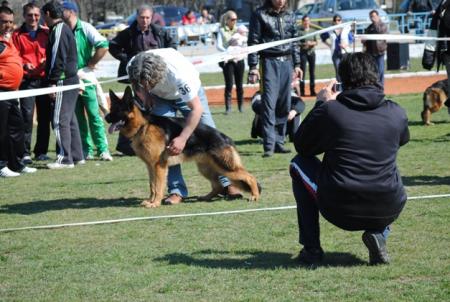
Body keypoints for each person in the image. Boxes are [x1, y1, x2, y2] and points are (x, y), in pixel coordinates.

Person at [290, 52, 409, 265]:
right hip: (388, 206)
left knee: (298, 163)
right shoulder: (396, 112)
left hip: (339, 208)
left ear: (342, 80)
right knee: (387, 165)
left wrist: (321, 105)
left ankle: (311, 249)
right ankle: (380, 233)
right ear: (375, 76)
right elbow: (402, 140)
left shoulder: (332, 111)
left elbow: (303, 146)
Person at [127, 49, 243, 205]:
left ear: (158, 75)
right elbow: (136, 84)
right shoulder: (134, 65)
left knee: (210, 136)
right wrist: (146, 94)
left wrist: (182, 138)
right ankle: (176, 191)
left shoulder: (179, 75)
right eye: (143, 84)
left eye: (149, 84)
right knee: (164, 147)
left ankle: (228, 183)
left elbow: (196, 109)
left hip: (190, 96)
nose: (146, 86)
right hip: (160, 99)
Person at [109, 4, 176, 156]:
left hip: (158, 79)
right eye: (141, 17)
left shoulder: (159, 32)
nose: (144, 20)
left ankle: (156, 140)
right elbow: (113, 46)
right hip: (138, 80)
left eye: (147, 17)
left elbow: (173, 45)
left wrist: (166, 58)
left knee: (157, 109)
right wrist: (128, 60)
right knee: (134, 109)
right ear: (136, 17)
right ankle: (125, 146)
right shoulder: (128, 33)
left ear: (151, 18)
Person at [247, 0, 303, 158]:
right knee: (269, 104)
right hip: (268, 62)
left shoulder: (290, 15)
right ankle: (269, 145)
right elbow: (253, 41)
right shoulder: (260, 15)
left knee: (283, 104)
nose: (281, 1)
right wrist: (253, 66)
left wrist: (297, 64)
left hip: (287, 62)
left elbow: (295, 41)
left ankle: (279, 142)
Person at [62, 1, 112, 161]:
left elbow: (103, 45)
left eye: (62, 10)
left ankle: (103, 149)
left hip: (85, 76)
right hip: (69, 79)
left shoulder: (85, 27)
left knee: (93, 114)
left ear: (70, 12)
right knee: (77, 117)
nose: (59, 12)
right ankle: (86, 149)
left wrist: (91, 63)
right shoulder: (61, 28)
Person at [42, 0, 83, 169]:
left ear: (48, 14)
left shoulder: (59, 30)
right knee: (70, 119)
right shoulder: (64, 29)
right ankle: (76, 155)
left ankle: (65, 159)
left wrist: (53, 82)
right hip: (70, 80)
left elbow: (58, 58)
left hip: (63, 81)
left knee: (59, 120)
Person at [12, 2, 52, 164]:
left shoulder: (47, 33)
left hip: (44, 80)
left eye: (36, 15)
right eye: (30, 15)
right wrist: (22, 64)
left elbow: (53, 52)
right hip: (27, 81)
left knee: (44, 117)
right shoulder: (17, 35)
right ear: (24, 16)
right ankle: (25, 152)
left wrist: (46, 61)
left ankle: (41, 151)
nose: (33, 18)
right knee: (26, 117)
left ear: (40, 16)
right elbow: (13, 54)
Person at [0, 5, 37, 177]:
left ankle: (16, 164)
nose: (8, 25)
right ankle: (1, 165)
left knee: (17, 128)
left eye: (10, 22)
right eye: (3, 22)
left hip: (13, 92)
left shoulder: (7, 39)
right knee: (2, 131)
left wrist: (21, 66)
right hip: (1, 93)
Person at [216, 10, 246, 114]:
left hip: (239, 60)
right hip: (228, 61)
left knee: (240, 85)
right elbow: (218, 46)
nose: (235, 21)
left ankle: (240, 107)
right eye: (233, 19)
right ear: (227, 20)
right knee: (229, 85)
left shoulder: (239, 30)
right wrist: (228, 52)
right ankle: (228, 108)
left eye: (236, 19)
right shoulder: (221, 30)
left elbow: (244, 42)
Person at [320, 14, 351, 83]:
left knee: (346, 70)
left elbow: (351, 39)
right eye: (335, 20)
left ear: (341, 21)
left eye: (339, 20)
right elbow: (322, 36)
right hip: (335, 53)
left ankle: (346, 86)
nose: (337, 22)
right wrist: (329, 45)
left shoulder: (346, 29)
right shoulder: (330, 30)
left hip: (345, 53)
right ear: (333, 21)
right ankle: (339, 88)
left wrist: (346, 45)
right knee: (338, 70)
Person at [362, 10, 388, 86]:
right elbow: (366, 38)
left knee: (380, 71)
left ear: (378, 16)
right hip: (370, 53)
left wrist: (376, 23)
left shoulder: (383, 25)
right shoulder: (369, 27)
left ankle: (381, 88)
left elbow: (380, 31)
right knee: (372, 72)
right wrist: (364, 42)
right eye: (371, 16)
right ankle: (374, 88)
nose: (372, 18)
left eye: (374, 16)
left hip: (380, 52)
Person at [298, 15, 317, 96]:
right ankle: (302, 91)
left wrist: (311, 43)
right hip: (303, 53)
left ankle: (312, 90)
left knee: (312, 72)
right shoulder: (299, 32)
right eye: (305, 20)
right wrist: (304, 44)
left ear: (310, 21)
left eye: (308, 20)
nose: (306, 22)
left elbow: (316, 42)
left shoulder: (313, 30)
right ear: (302, 22)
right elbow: (297, 42)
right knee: (302, 72)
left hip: (311, 53)